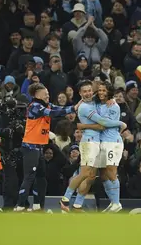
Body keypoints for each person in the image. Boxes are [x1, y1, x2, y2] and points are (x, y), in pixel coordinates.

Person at [14, 83, 81, 212]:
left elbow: (57, 108)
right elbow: (53, 113)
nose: (48, 96)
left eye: (48, 94)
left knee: (40, 176)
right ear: (37, 95)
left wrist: (73, 108)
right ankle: (20, 205)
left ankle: (37, 205)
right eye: (45, 94)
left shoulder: (46, 105)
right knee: (29, 176)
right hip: (30, 146)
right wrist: (74, 108)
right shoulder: (34, 106)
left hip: (39, 146)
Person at [60, 80, 125, 212]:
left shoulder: (100, 102)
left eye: (90, 90)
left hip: (103, 142)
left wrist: (82, 125)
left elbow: (102, 124)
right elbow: (101, 123)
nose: (89, 93)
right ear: (80, 93)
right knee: (86, 173)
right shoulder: (86, 106)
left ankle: (79, 205)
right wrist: (121, 124)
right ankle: (65, 200)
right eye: (84, 91)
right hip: (90, 141)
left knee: (95, 175)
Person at [96, 82, 125, 212]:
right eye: (100, 90)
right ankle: (113, 202)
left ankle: (117, 203)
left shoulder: (114, 106)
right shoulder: (99, 105)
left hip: (112, 142)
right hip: (101, 142)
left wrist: (121, 123)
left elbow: (105, 123)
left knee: (111, 171)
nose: (101, 92)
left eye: (104, 90)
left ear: (109, 92)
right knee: (102, 174)